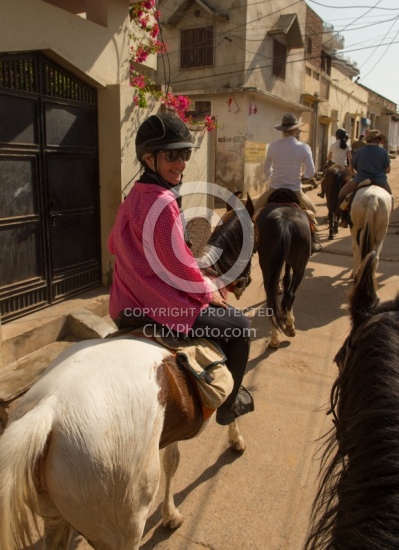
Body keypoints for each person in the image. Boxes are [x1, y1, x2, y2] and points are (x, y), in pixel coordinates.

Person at [108, 113, 254, 426]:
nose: (181, 163)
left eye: (184, 154)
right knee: (240, 327)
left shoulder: (132, 197)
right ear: (149, 159)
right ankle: (230, 405)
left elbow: (112, 245)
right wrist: (207, 289)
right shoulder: (163, 201)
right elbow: (178, 266)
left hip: (124, 305)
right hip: (158, 306)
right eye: (171, 155)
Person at [254, 112, 322, 253]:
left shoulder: (273, 146)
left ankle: (252, 238)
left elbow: (266, 170)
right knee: (313, 212)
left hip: (274, 189)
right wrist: (302, 175)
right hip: (296, 191)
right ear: (295, 129)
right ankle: (314, 240)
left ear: (283, 131)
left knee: (254, 210)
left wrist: (274, 173)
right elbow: (311, 172)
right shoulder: (304, 147)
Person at [338, 129, 392, 227]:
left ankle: (344, 220)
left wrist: (355, 174)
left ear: (367, 140)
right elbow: (388, 170)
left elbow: (350, 168)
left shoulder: (359, 152)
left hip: (360, 180)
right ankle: (386, 219)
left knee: (342, 194)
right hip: (380, 181)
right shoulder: (383, 152)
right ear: (377, 140)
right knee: (390, 198)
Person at [317, 128, 352, 198]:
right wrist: (351, 166)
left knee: (324, 177)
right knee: (350, 179)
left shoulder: (333, 144)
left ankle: (322, 191)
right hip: (343, 165)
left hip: (333, 164)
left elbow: (329, 157)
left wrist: (327, 160)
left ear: (337, 136)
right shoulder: (347, 145)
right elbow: (350, 158)